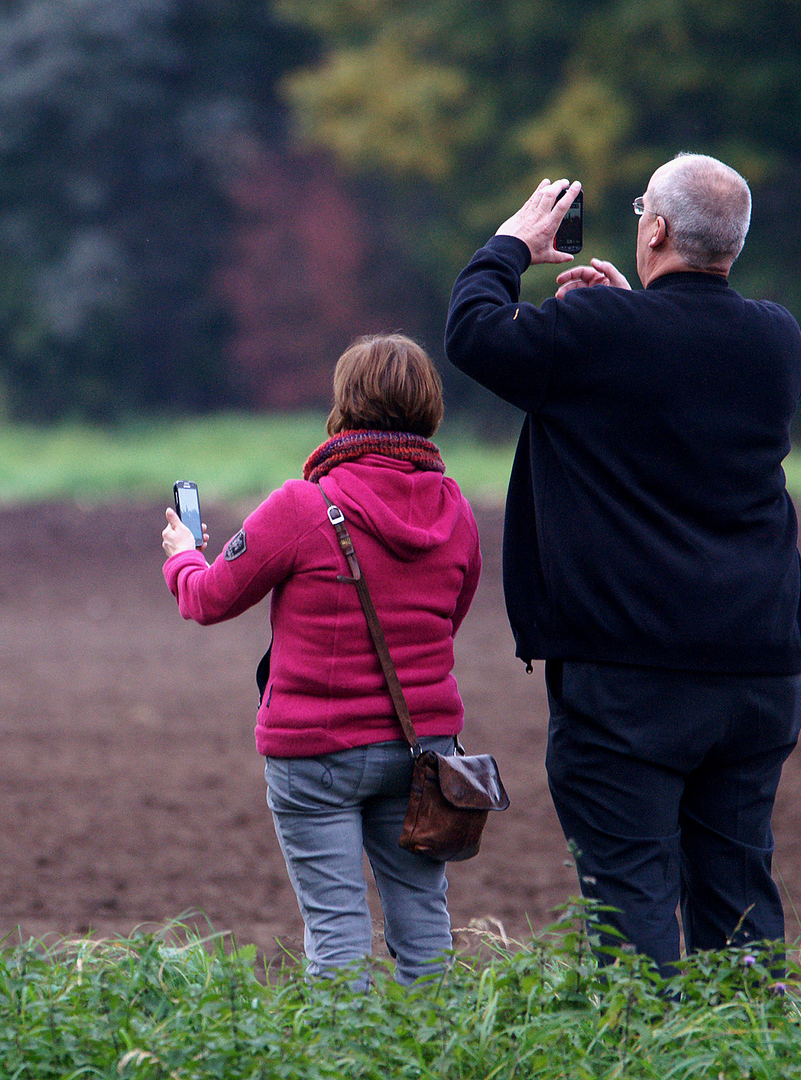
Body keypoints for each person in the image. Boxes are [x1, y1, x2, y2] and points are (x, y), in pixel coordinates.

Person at [443, 155, 801, 973]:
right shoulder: (777, 340)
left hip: (629, 679)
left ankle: (648, 1053)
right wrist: (621, 317)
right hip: (758, 668)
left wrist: (509, 245)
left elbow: (472, 331)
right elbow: (674, 379)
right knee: (739, 897)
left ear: (654, 230)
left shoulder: (599, 336)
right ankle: (752, 1056)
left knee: (633, 902)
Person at [161, 334, 482, 986]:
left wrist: (181, 556)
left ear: (346, 406)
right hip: (424, 750)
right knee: (424, 921)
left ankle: (343, 1060)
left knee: (336, 930)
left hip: (316, 752)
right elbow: (451, 614)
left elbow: (207, 599)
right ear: (428, 408)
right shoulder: (457, 512)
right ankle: (440, 1054)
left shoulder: (303, 507)